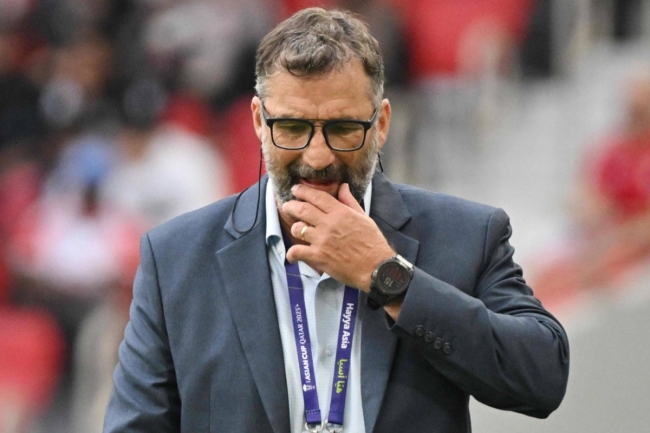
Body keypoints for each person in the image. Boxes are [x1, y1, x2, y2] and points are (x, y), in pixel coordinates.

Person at [104, 8, 569, 433]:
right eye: (292, 128)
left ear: (381, 123)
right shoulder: (175, 260)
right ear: (259, 122)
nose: (317, 156)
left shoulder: (465, 235)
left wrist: (389, 278)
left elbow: (543, 377)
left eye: (344, 128)